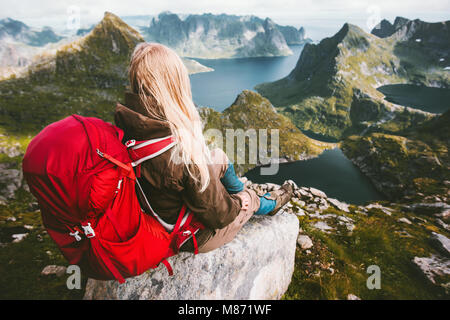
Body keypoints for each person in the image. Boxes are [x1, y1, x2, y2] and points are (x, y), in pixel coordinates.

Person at [114, 42, 294, 254]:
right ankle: (270, 203)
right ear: (174, 84)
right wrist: (240, 201)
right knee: (250, 199)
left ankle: (240, 191)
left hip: (161, 211)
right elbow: (219, 216)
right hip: (191, 234)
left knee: (218, 156)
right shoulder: (181, 151)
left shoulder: (130, 126)